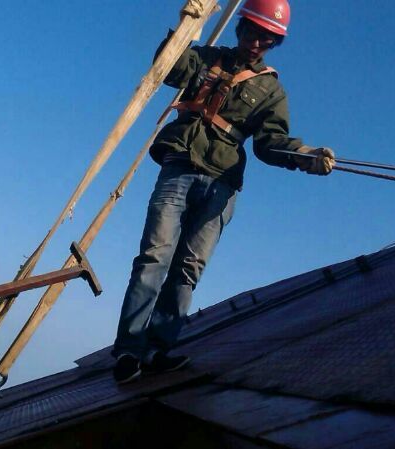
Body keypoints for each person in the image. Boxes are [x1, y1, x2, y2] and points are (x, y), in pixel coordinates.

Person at [112, 0, 336, 383]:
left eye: (267, 38)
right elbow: (169, 68)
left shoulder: (271, 90)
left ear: (274, 43)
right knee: (154, 257)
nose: (257, 42)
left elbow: (270, 143)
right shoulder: (206, 58)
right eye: (253, 32)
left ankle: (157, 349)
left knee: (188, 269)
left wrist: (305, 155)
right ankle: (129, 350)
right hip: (179, 167)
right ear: (241, 27)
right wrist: (187, 25)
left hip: (222, 184)